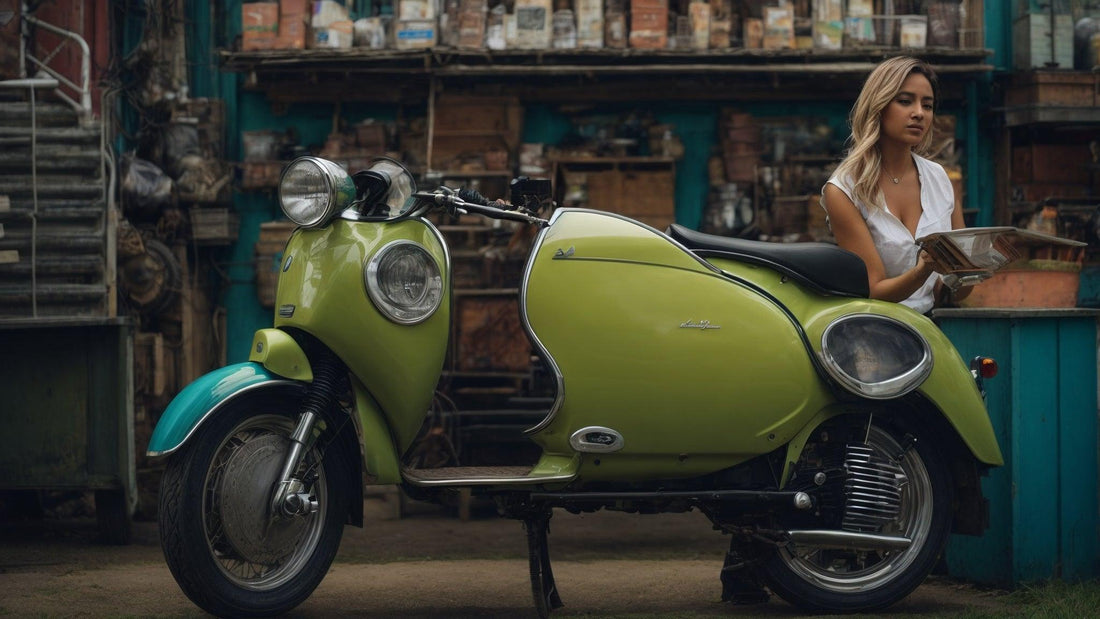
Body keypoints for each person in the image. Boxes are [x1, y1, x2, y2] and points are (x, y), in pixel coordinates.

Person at [821, 56, 971, 313]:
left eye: (928, 105)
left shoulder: (940, 179)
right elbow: (874, 290)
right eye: (904, 101)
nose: (919, 113)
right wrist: (924, 269)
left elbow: (954, 287)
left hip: (933, 326)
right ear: (878, 106)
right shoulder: (844, 190)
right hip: (878, 326)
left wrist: (973, 269)